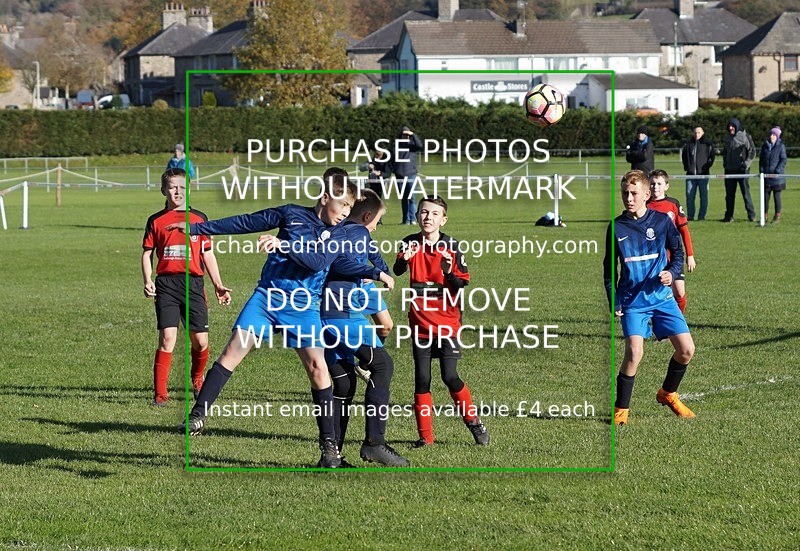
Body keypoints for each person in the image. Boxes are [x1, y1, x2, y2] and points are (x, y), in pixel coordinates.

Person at [168, 169, 394, 468]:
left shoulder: (339, 234)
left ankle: (329, 451)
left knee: (317, 368)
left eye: (351, 208)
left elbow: (319, 261)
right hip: (268, 297)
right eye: (343, 206)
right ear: (325, 198)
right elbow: (247, 221)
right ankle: (198, 415)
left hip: (303, 304)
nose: (346, 213)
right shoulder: (291, 214)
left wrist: (285, 246)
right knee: (234, 349)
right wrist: (198, 229)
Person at [320, 189, 408, 467]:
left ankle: (332, 456)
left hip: (320, 312)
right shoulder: (357, 232)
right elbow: (347, 263)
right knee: (382, 366)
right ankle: (374, 444)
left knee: (344, 383)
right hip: (341, 312)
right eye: (376, 222)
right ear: (367, 216)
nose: (374, 230)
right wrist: (375, 273)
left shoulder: (332, 230)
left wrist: (377, 271)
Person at [393, 195, 490, 447]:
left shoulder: (452, 247)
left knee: (450, 376)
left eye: (435, 214)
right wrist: (404, 258)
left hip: (447, 323)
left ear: (443, 219)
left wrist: (448, 271)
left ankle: (475, 423)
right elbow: (398, 270)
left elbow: (461, 284)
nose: (428, 217)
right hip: (420, 323)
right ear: (416, 216)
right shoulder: (409, 242)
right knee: (422, 379)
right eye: (424, 212)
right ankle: (426, 438)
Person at [603, 170, 696, 425]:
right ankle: (621, 412)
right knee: (634, 352)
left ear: (647, 194)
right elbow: (610, 271)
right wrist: (615, 301)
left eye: (634, 193)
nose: (628, 198)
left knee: (687, 350)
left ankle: (668, 393)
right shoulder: (617, 226)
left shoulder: (662, 222)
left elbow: (677, 253)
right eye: (625, 193)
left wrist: (672, 272)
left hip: (662, 298)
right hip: (633, 302)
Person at [141, 168, 231, 405]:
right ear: (163, 190)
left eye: (182, 187)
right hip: (167, 285)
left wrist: (218, 285)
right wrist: (148, 280)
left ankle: (197, 378)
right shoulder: (155, 220)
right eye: (172, 187)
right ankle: (160, 394)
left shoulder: (199, 219)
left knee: (200, 341)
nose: (178, 192)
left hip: (193, 284)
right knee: (167, 338)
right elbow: (147, 253)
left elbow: (208, 254)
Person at [647, 169, 695, 314]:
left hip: (673, 255)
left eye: (659, 184)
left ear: (666, 186)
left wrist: (690, 255)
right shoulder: (645, 205)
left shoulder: (673, 204)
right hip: (654, 257)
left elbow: (684, 230)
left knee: (679, 293)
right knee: (655, 295)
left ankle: (677, 324)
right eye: (653, 184)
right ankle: (658, 325)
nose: (655, 187)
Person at [721, 118, 756, 222]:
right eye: (729, 126)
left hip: (742, 170)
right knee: (729, 195)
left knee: (746, 193)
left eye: (732, 126)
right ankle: (729, 216)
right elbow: (725, 152)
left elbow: (752, 151)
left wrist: (746, 164)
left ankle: (752, 216)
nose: (730, 128)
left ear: (737, 126)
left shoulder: (745, 136)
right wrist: (725, 163)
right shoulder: (727, 137)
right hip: (729, 170)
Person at [681, 126, 715, 221]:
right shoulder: (688, 144)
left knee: (704, 196)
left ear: (703, 133)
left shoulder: (708, 144)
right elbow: (684, 156)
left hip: (703, 175)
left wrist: (707, 166)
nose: (697, 134)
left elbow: (712, 157)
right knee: (690, 196)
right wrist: (686, 167)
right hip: (690, 175)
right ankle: (690, 216)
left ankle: (701, 217)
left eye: (699, 132)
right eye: (695, 132)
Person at [391, 125, 423, 225]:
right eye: (404, 135)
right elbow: (391, 159)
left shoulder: (412, 146)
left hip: (411, 174)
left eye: (407, 135)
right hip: (400, 175)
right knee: (404, 198)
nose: (405, 137)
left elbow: (420, 145)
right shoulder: (396, 146)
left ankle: (412, 219)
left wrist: (413, 134)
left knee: (412, 198)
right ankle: (405, 219)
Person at [759, 127, 787, 224]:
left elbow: (783, 159)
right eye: (771, 134)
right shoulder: (765, 146)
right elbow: (761, 159)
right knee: (765, 197)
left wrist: (778, 170)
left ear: (777, 136)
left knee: (777, 196)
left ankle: (777, 216)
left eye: (774, 135)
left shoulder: (781, 146)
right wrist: (762, 170)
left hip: (777, 177)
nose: (772, 136)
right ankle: (764, 216)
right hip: (766, 177)